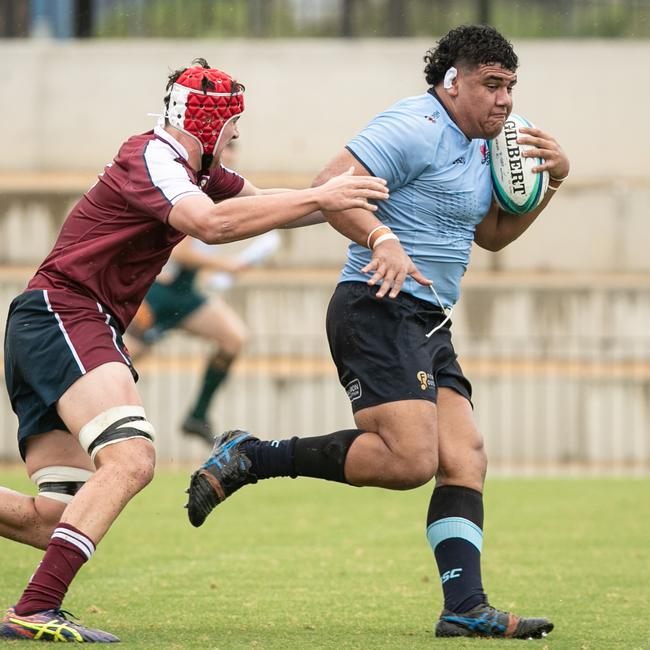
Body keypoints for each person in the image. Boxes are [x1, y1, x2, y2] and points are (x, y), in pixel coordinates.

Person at [186, 26, 569, 640]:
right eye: (491, 85)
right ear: (452, 83)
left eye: (511, 87)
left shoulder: (485, 148)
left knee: (464, 457)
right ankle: (250, 457)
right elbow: (328, 188)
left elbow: (493, 235)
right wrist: (381, 238)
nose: (505, 100)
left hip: (428, 318)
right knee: (410, 460)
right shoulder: (413, 126)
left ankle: (464, 606)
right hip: (377, 303)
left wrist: (553, 181)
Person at [0, 58, 388, 642]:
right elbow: (210, 225)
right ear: (209, 129)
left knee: (54, 517)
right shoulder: (152, 156)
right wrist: (325, 195)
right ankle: (34, 609)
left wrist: (370, 219)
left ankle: (35, 606)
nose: (235, 143)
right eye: (232, 132)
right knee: (131, 459)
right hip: (65, 313)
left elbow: (273, 208)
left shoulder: (198, 171)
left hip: (57, 321)